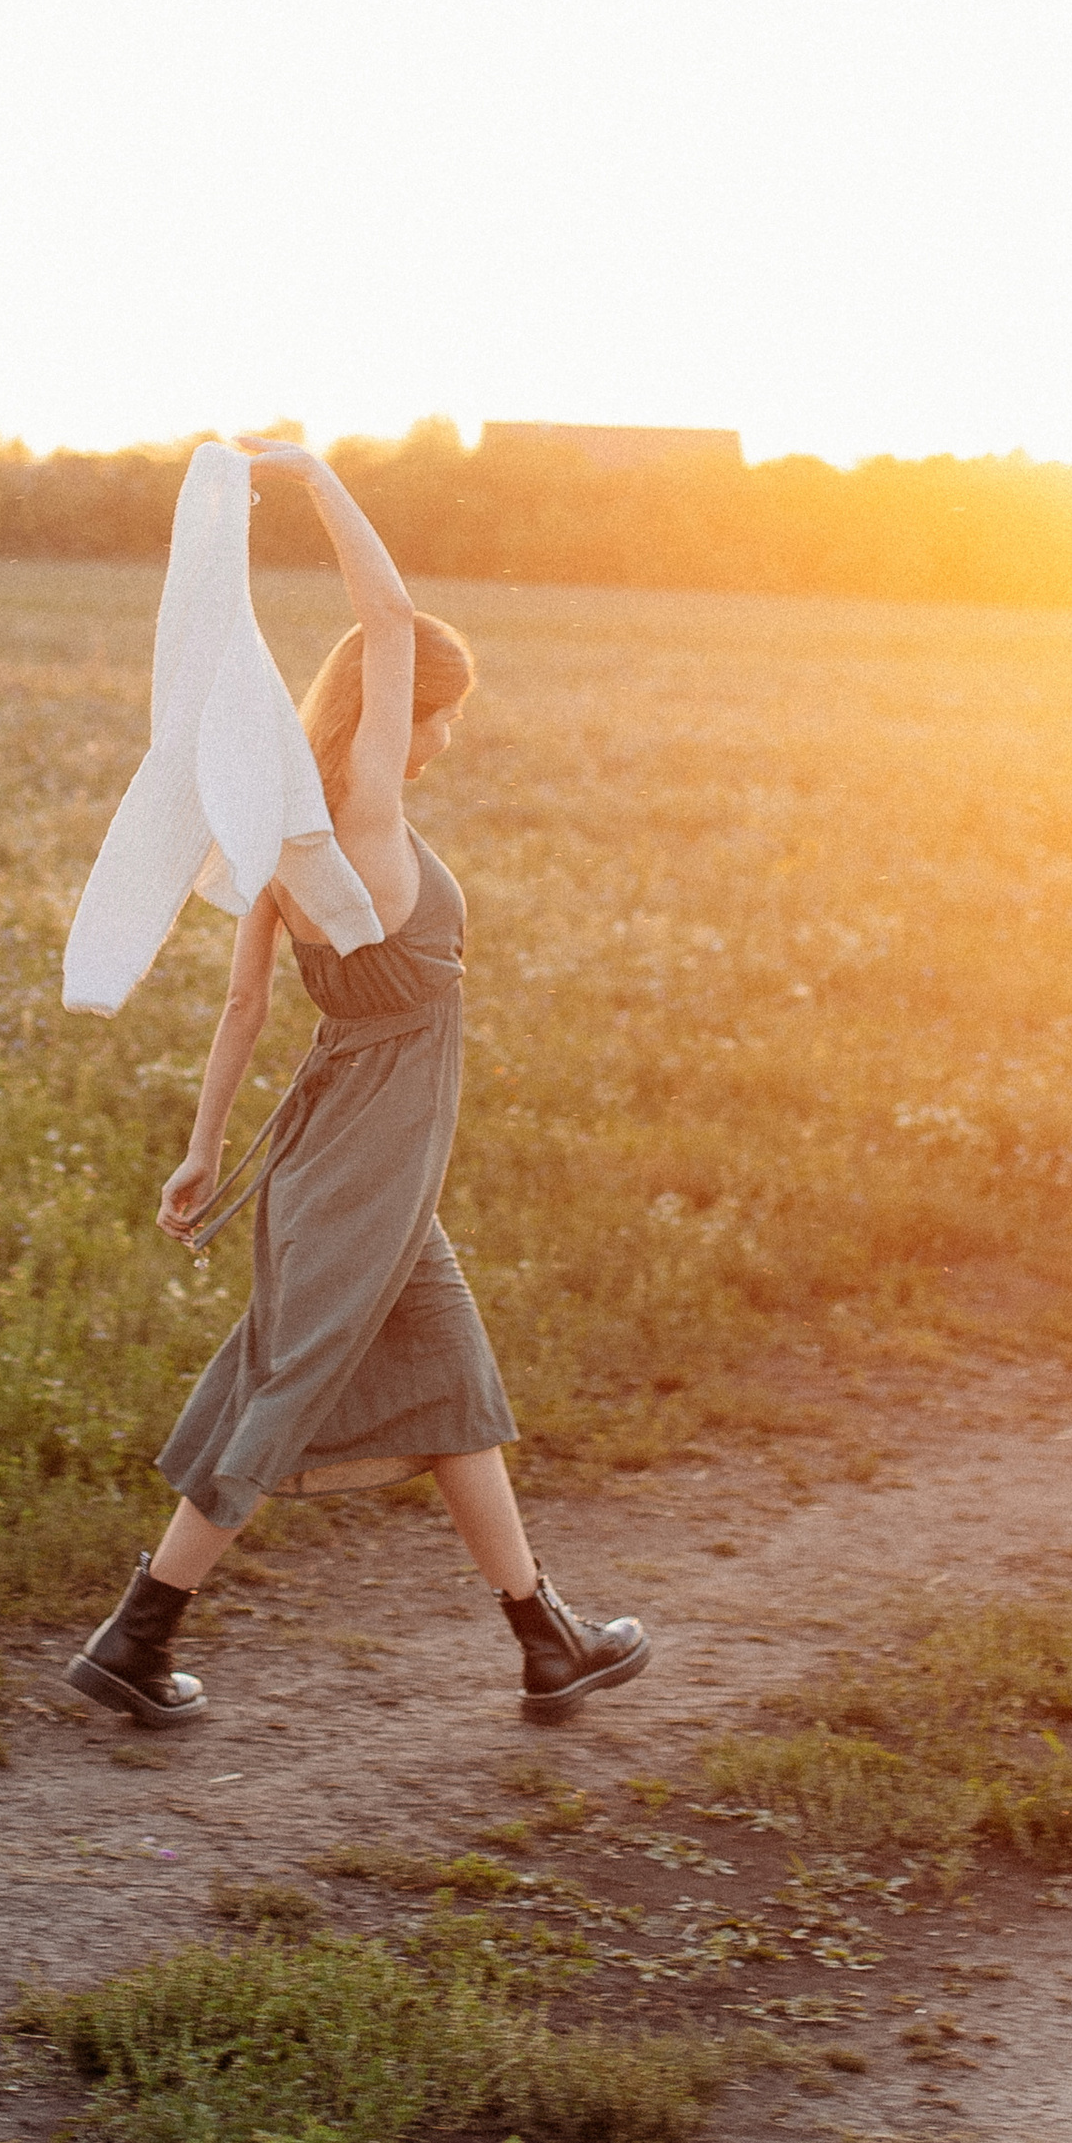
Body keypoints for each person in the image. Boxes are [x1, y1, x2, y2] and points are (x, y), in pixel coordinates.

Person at [68, 439, 651, 1734]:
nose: (442, 735)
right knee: (282, 1384)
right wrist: (316, 478)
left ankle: (545, 1638)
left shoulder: (285, 841)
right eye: (442, 712)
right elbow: (386, 618)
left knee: (453, 1381)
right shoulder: (364, 820)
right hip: (364, 1162)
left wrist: (203, 1151)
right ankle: (137, 1631)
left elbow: (242, 1007)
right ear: (407, 711)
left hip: (347, 1157)